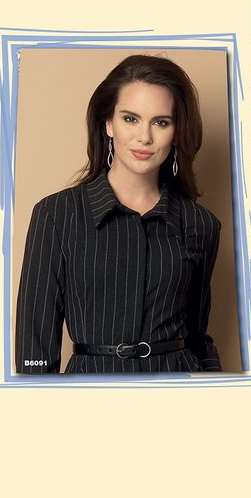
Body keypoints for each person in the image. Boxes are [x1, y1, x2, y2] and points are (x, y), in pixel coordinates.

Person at [15, 54, 223, 374]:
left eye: (161, 122)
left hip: (178, 391)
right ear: (108, 124)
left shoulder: (200, 224)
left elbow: (198, 336)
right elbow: (35, 350)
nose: (145, 137)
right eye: (130, 119)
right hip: (88, 393)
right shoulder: (56, 215)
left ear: (176, 132)